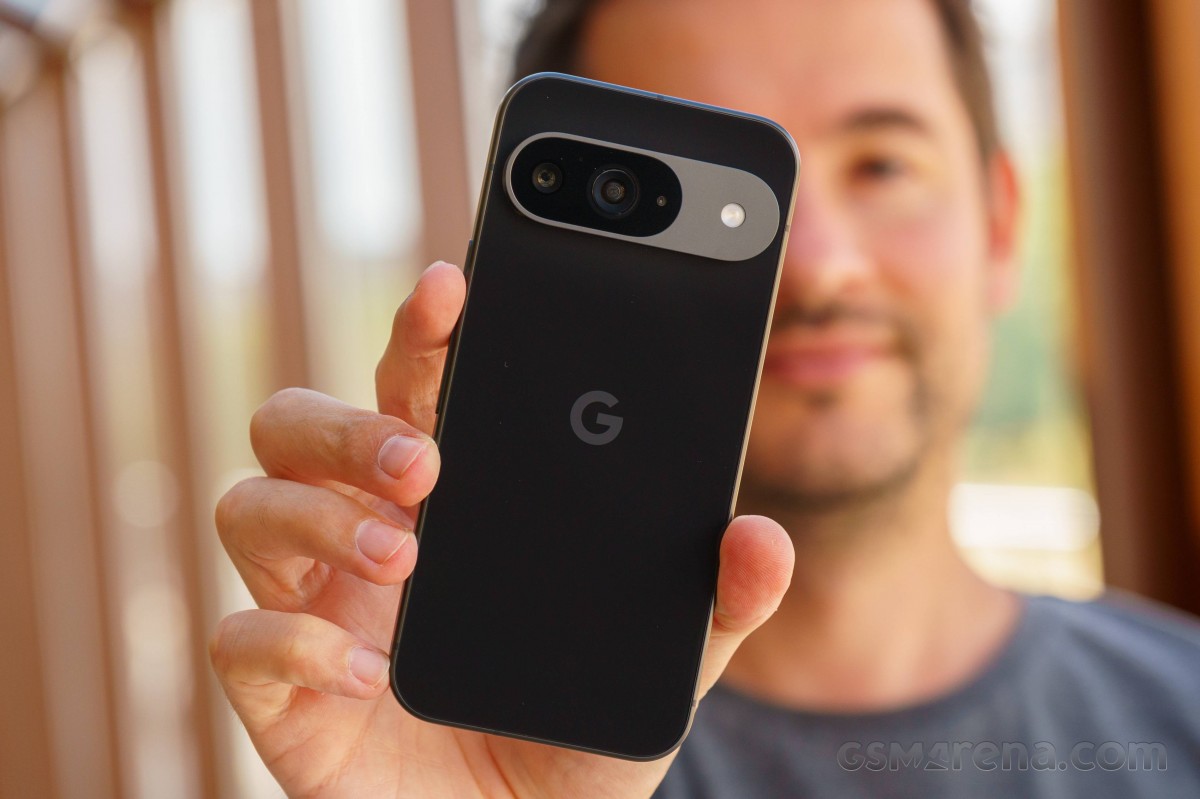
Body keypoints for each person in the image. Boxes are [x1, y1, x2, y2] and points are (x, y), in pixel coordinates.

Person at [210, 0, 1200, 796]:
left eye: (883, 164)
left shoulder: (1183, 713)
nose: (816, 263)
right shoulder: (496, 744)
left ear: (1000, 223)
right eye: (725, 195)